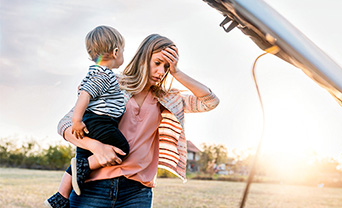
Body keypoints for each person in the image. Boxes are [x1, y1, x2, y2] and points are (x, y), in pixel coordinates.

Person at [49, 33, 219, 208]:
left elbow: (210, 101)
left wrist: (177, 72)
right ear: (143, 58)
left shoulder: (167, 99)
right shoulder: (112, 83)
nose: (161, 72)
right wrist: (96, 147)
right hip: (93, 186)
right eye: (157, 63)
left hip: (136, 193)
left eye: (167, 67)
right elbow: (65, 125)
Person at [45, 25, 129, 208]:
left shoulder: (96, 73)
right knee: (122, 148)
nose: (124, 54)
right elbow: (84, 94)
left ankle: (60, 197)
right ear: (116, 52)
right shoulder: (103, 75)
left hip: (94, 122)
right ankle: (82, 168)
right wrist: (76, 121)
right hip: (101, 121)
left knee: (82, 159)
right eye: (123, 50)